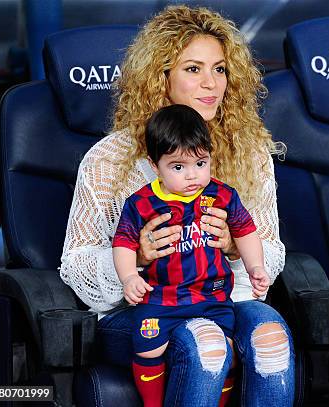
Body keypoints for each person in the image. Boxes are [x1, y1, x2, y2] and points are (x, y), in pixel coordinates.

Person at [60, 5, 294, 406]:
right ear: (160, 78)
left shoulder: (249, 152)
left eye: (219, 69)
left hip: (222, 299)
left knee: (270, 338)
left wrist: (237, 249)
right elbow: (76, 267)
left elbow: (271, 254)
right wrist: (136, 257)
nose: (212, 84)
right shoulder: (108, 159)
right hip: (142, 312)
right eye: (193, 69)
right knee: (204, 341)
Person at [113, 104, 270, 407]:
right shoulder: (142, 203)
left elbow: (246, 230)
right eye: (178, 167)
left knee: (226, 353)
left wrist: (255, 266)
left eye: (201, 163)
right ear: (154, 165)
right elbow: (123, 242)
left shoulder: (222, 195)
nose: (192, 176)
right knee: (147, 349)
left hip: (210, 298)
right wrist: (130, 276)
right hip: (162, 298)